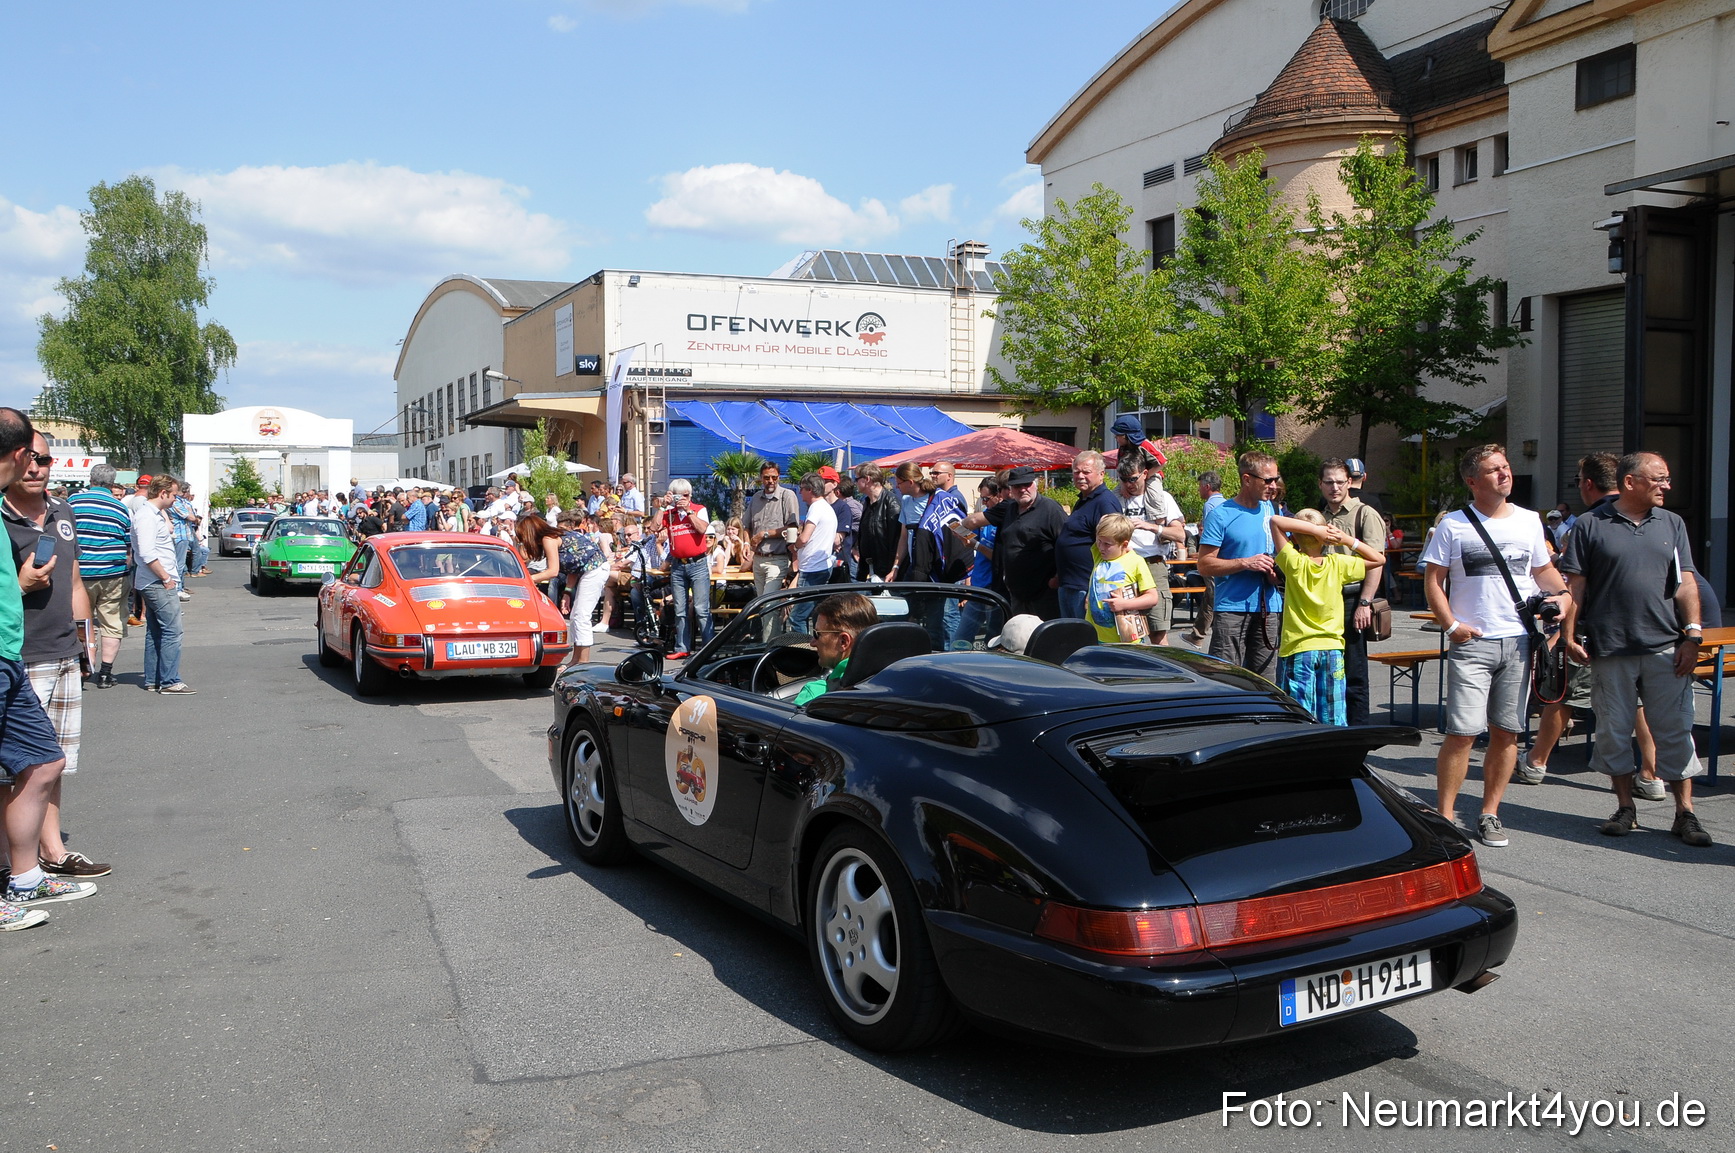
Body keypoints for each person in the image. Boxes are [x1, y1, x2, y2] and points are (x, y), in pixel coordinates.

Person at [1559, 451, 1713, 847]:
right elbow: (1576, 587)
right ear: (1631, 482)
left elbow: (1686, 583)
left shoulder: (1672, 523)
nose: (1667, 485)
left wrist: (1693, 636)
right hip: (1610, 648)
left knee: (1676, 731)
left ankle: (1686, 813)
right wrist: (1568, 637)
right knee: (1613, 731)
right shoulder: (1591, 525)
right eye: (1659, 478)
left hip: (1666, 646)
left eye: (1666, 478)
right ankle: (1625, 807)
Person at [1420, 445, 1567, 848]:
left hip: (1519, 641)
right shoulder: (1453, 524)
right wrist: (1451, 626)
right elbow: (1434, 580)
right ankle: (1446, 817)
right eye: (1493, 470)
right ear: (1472, 481)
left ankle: (1489, 814)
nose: (1504, 474)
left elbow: (1542, 570)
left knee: (1507, 733)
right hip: (1473, 642)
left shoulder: (1529, 521)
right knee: (1462, 733)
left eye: (1505, 468)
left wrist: (1563, 597)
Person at [0, 409, 97, 924]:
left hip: (60, 651)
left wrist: (85, 643)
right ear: (17, 458)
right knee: (13, 768)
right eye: (30, 458)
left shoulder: (63, 511)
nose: (37, 468)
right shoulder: (1, 514)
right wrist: (21, 586)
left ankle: (48, 856)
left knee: (51, 760)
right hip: (20, 654)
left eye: (46, 460)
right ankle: (14, 868)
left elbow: (77, 579)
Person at [1268, 509, 1386, 725]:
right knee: (1334, 716)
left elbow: (1275, 521)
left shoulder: (1293, 562)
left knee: (1300, 717)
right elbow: (1378, 559)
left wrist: (1314, 531)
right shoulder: (1338, 563)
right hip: (1332, 649)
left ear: (1294, 537)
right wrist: (1347, 539)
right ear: (1326, 538)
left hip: (1299, 648)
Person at [1198, 451, 1284, 678]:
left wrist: (1277, 574)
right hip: (1232, 609)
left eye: (1276, 479)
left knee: (1266, 682)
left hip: (1269, 607)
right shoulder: (1222, 514)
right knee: (1227, 679)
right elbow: (1205, 565)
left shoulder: (1273, 510)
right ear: (1247, 479)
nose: (1274, 485)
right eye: (1267, 480)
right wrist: (1245, 562)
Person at [1317, 459, 1386, 725]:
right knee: (1329, 668)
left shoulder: (1365, 514)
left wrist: (1364, 603)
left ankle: (1358, 731)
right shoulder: (1319, 516)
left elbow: (1377, 562)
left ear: (1349, 483)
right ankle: (1332, 727)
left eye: (1339, 482)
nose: (1334, 487)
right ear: (1321, 485)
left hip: (1352, 598)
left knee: (1355, 671)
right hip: (1324, 601)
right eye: (1329, 482)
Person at [959, 465, 1065, 619]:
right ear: (1010, 489)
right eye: (1017, 486)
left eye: (1026, 485)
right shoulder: (1010, 509)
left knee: (1044, 639)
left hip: (1044, 593)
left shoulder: (1050, 509)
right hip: (1016, 593)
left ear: (1034, 484)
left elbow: (1064, 546)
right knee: (1017, 639)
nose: (1023, 489)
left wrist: (1057, 577)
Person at [68, 463, 132, 690]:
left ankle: (81, 668)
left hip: (79, 573)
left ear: (91, 479)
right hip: (112, 573)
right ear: (112, 483)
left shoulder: (73, 502)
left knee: (79, 622)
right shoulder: (119, 507)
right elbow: (127, 544)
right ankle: (105, 674)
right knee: (112, 622)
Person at [132, 475, 195, 694]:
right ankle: (169, 681)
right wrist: (167, 578)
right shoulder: (147, 516)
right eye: (174, 495)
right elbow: (147, 553)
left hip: (154, 580)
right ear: (163, 493)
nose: (176, 500)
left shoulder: (155, 513)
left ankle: (154, 679)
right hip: (157, 581)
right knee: (172, 631)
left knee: (156, 630)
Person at [1117, 460, 1185, 645]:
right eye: (1124, 480)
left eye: (1132, 479)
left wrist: (1153, 527)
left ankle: (1164, 672)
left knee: (1158, 631)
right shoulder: (1118, 498)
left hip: (1152, 563)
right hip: (1125, 565)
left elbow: (1180, 535)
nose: (1129, 484)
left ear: (1144, 474)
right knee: (1127, 632)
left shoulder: (1161, 498)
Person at [1054, 450, 1123, 621]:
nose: (1080, 476)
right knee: (1070, 639)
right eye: (1076, 472)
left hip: (1086, 587)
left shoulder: (1105, 502)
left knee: (1083, 640)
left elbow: (1114, 548)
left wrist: (1095, 591)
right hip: (1070, 584)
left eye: (1086, 472)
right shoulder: (1085, 499)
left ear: (1101, 474)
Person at [647, 479, 711, 659]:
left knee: (701, 608)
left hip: (697, 564)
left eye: (685, 496)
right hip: (678, 565)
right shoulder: (670, 513)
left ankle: (707, 648)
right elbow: (654, 528)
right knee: (680, 608)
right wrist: (662, 507)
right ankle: (681, 647)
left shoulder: (699, 509)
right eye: (678, 496)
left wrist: (688, 511)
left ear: (690, 495)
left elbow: (702, 529)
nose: (681, 499)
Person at [791, 592, 878, 707]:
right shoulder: (894, 681)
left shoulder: (815, 694)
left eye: (817, 634)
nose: (812, 643)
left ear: (843, 642)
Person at [1087, 513, 1162, 644]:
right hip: (1096, 636)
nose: (1101, 547)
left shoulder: (1135, 561)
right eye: (1099, 541)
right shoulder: (1099, 555)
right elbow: (1103, 521)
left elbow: (1152, 597)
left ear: (1124, 544)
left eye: (1107, 544)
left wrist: (1124, 604)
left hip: (1126, 638)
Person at [949, 479, 1001, 650]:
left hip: (995, 589)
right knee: (960, 640)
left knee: (992, 642)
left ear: (999, 496)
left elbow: (1000, 557)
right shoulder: (986, 515)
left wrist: (976, 546)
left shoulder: (1004, 519)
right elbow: (974, 540)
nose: (984, 503)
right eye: (981, 499)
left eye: (986, 499)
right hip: (978, 585)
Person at [556, 512, 611, 665]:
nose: (562, 531)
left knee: (582, 616)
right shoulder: (568, 539)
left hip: (596, 569)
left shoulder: (572, 538)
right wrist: (567, 593)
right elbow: (573, 569)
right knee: (575, 616)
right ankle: (575, 659)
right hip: (588, 571)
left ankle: (583, 663)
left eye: (564, 528)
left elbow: (562, 570)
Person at [1180, 470, 1227, 647]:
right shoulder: (1227, 503)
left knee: (1214, 593)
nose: (1199, 490)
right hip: (1225, 556)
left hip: (1213, 556)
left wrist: (1204, 557)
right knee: (1210, 594)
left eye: (1200, 486)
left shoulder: (1210, 505)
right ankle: (1198, 635)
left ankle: (1211, 635)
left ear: (1207, 487)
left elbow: (1210, 534)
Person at [746, 462, 800, 615]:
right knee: (762, 607)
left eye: (774, 477)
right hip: (757, 559)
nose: (771, 481)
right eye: (767, 477)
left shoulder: (787, 496)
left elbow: (792, 528)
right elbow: (746, 525)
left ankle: (769, 639)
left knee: (768, 605)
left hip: (777, 559)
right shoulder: (756, 498)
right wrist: (746, 543)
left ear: (779, 477)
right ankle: (769, 638)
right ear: (760, 478)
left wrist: (764, 534)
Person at [787, 473, 837, 634]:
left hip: (812, 569)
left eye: (801, 489)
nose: (800, 492)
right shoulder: (827, 508)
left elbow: (805, 537)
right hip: (822, 566)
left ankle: (803, 654)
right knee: (817, 616)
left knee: (797, 618)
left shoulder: (816, 508)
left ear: (809, 489)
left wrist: (795, 546)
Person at [853, 465, 902, 581]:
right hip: (869, 568)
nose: (855, 483)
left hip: (885, 571)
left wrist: (892, 569)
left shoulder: (891, 502)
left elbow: (897, 540)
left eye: (857, 479)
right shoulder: (867, 502)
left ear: (867, 479)